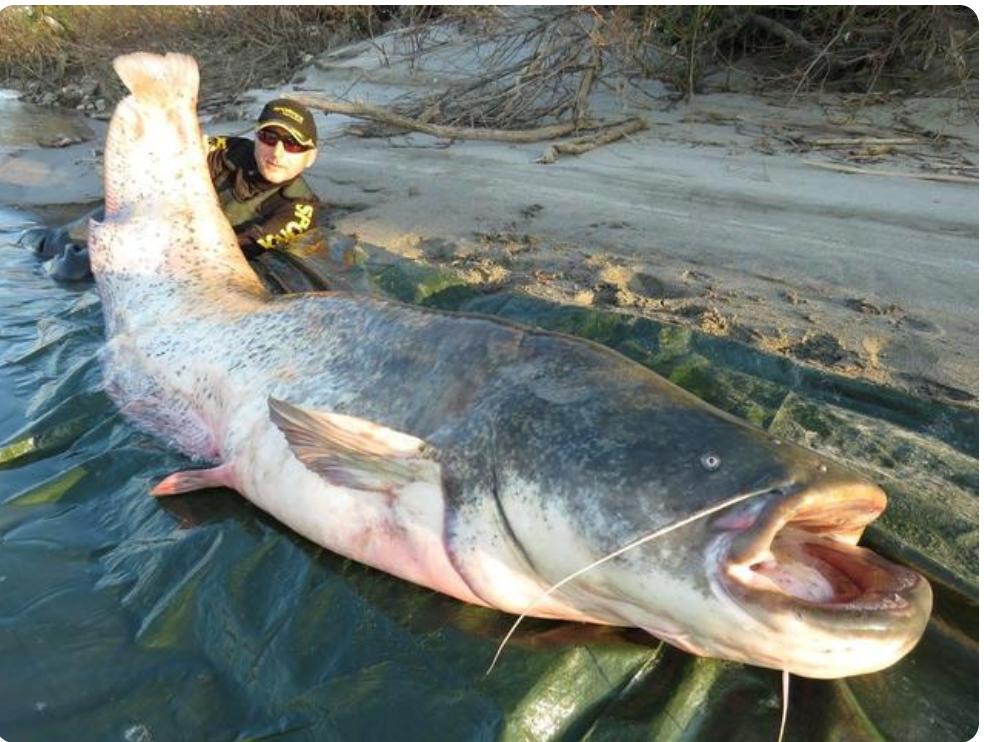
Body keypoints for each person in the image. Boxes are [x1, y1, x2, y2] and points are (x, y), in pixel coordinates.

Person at [21, 97, 322, 279]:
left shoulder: (298, 208)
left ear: (311, 157)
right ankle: (25, 255)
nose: (277, 153)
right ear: (257, 138)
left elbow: (248, 245)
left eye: (293, 145)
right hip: (153, 223)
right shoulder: (228, 150)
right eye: (269, 138)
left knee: (72, 271)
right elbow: (167, 161)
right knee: (51, 241)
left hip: (193, 259)